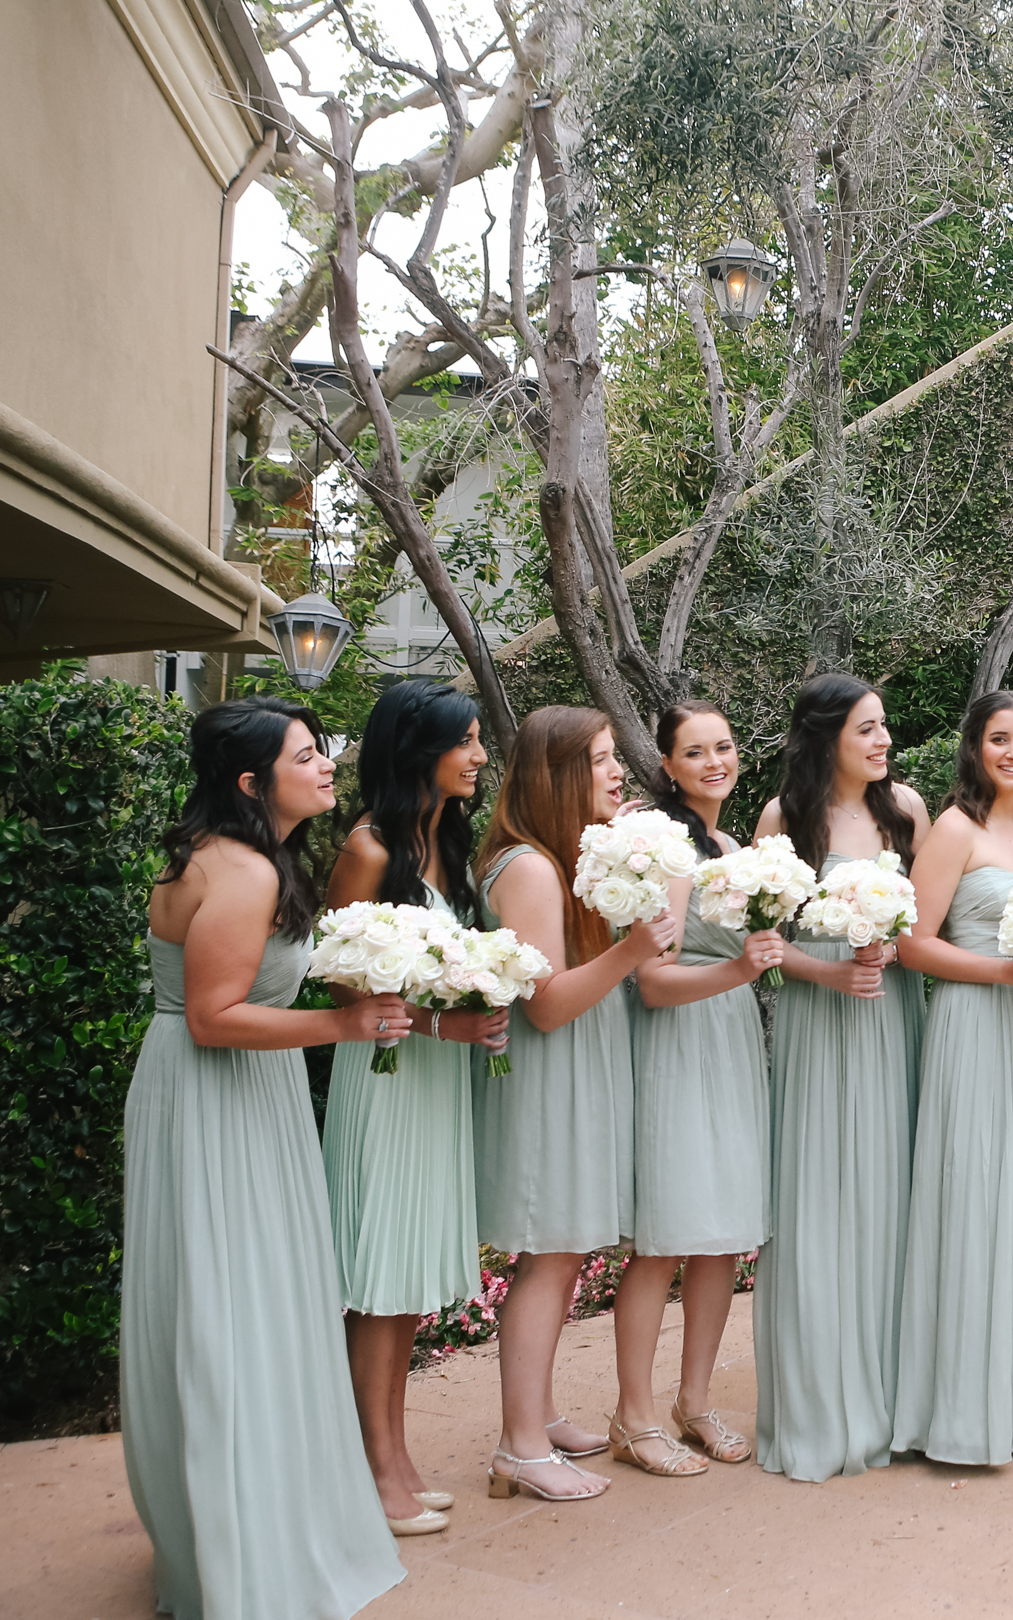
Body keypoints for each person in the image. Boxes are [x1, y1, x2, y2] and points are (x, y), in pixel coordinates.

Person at [126, 696, 409, 1616]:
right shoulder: (241, 870)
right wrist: (347, 1020)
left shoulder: (250, 858)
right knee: (230, 1308)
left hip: (247, 1093)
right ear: (253, 782)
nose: (328, 764)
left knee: (247, 1302)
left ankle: (246, 1520)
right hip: (216, 1097)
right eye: (306, 755)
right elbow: (213, 1018)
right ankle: (240, 1543)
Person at [474, 707, 680, 1500]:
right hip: (547, 1075)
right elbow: (548, 1004)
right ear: (558, 773)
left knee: (560, 1255)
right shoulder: (527, 868)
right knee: (549, 1254)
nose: (617, 769)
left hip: (575, 1070)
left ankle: (541, 1412)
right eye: (599, 760)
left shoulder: (561, 860)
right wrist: (633, 948)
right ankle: (519, 1446)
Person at [320, 679, 509, 1533]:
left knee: (402, 1289)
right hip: (387, 1079)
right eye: (463, 740)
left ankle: (391, 1455)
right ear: (416, 750)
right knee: (378, 1279)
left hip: (437, 1080)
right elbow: (340, 979)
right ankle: (370, 1466)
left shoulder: (447, 848)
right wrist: (447, 1018)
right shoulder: (368, 848)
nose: (477, 755)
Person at [890, 692, 1013, 1464]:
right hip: (972, 1026)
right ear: (974, 747)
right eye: (999, 738)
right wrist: (1007, 971)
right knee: (971, 1194)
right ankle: (960, 1407)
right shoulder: (953, 830)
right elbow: (913, 944)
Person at [752, 674, 931, 1480]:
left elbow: (930, 918)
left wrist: (896, 946)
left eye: (884, 726)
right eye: (867, 728)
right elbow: (761, 947)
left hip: (893, 1014)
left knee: (891, 1192)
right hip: (822, 1023)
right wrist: (829, 975)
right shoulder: (783, 820)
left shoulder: (908, 811)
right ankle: (825, 1405)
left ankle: (897, 1396)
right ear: (827, 737)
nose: (883, 739)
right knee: (824, 1196)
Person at [614, 702, 783, 1475]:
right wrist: (740, 970)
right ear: (668, 766)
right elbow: (652, 978)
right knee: (667, 1237)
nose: (715, 760)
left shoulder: (725, 841)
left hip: (731, 1041)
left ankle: (693, 1400)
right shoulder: (669, 845)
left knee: (721, 1235)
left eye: (724, 744)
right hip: (680, 1041)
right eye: (695, 750)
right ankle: (633, 1413)